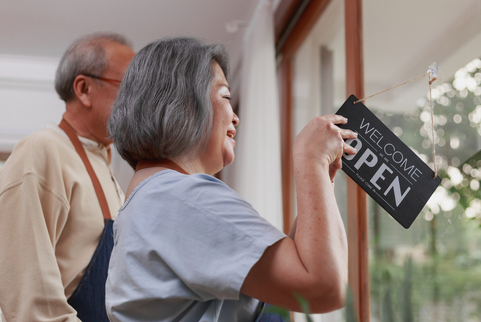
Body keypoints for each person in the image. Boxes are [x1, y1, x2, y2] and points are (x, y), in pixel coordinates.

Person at [105, 37, 357, 322]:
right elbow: (323, 288)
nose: (235, 117)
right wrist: (309, 159)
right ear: (183, 104)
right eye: (225, 96)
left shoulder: (155, 200)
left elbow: (289, 274)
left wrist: (321, 177)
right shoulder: (181, 197)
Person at [0, 32, 135, 322]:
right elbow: (32, 304)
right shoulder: (43, 150)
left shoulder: (104, 166)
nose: (138, 100)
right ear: (84, 89)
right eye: (129, 85)